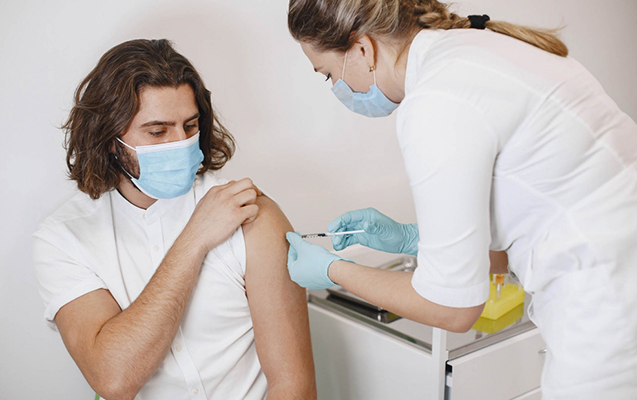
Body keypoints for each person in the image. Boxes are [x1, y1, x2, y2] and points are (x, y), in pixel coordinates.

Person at [284, 0, 637, 399]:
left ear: (363, 49)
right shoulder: (476, 49)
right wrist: (411, 239)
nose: (337, 87)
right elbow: (507, 244)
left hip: (607, 307)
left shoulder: (437, 100)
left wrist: (333, 270)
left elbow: (452, 308)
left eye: (328, 74)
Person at [32, 39, 316, 400]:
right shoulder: (63, 238)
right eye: (158, 131)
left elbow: (293, 385)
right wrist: (195, 239)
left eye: (190, 125)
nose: (181, 142)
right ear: (110, 139)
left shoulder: (250, 214)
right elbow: (113, 378)